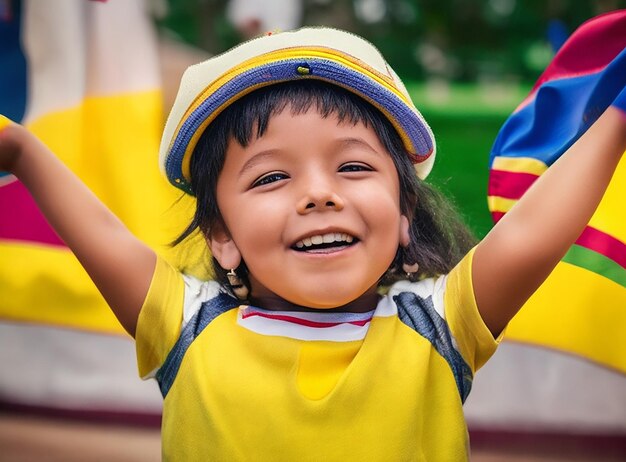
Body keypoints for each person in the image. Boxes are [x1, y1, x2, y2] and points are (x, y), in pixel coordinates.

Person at [0, 26, 624, 461]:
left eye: (353, 167)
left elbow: (533, 236)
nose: (319, 195)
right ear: (220, 236)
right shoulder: (182, 325)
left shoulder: (439, 324)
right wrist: (21, 150)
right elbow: (99, 229)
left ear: (405, 211)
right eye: (272, 177)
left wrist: (617, 117)